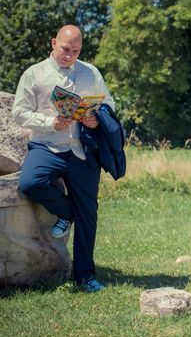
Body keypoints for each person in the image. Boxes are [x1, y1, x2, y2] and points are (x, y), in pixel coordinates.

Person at [12, 25, 115, 293]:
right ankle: (68, 213)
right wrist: (50, 122)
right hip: (46, 146)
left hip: (82, 149)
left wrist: (95, 119)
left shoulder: (91, 72)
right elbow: (19, 113)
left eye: (76, 51)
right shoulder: (34, 73)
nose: (70, 55)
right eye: (66, 49)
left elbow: (109, 105)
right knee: (31, 183)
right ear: (54, 42)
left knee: (89, 213)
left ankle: (85, 277)